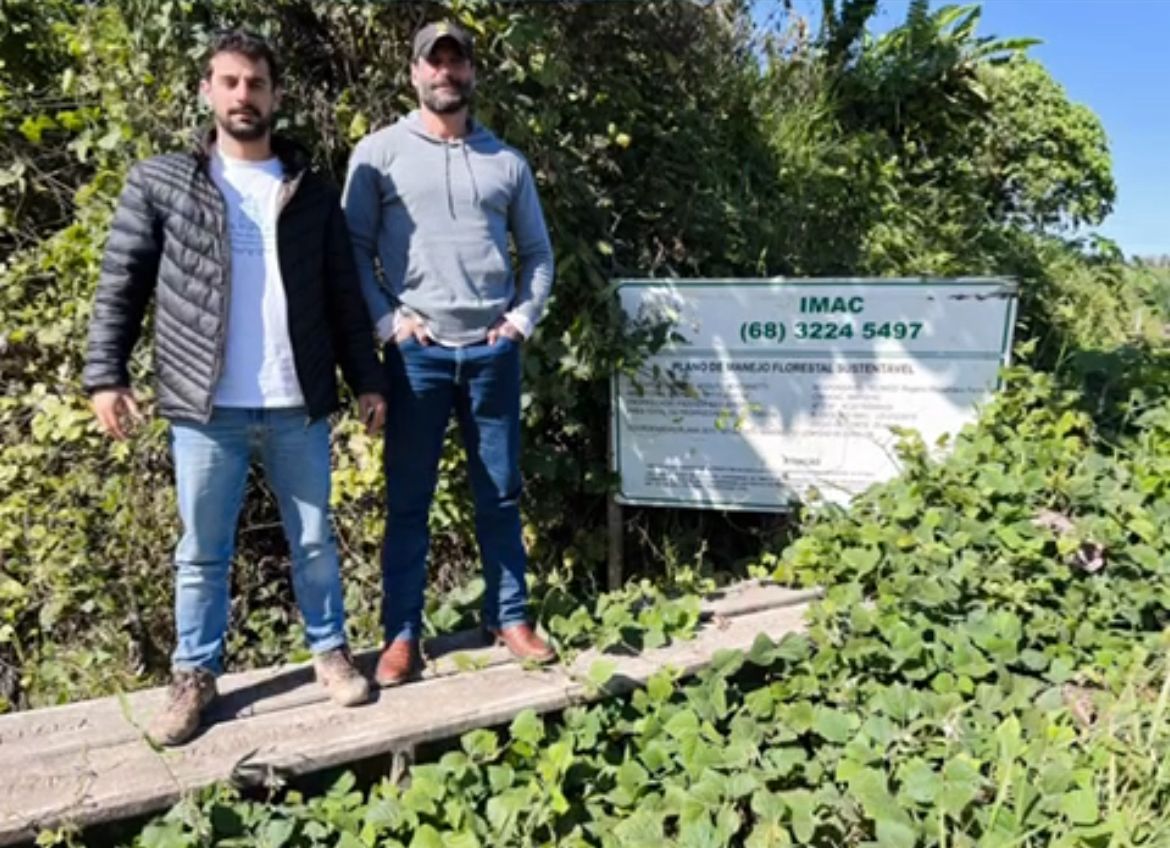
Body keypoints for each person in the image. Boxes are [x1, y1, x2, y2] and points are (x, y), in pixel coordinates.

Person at [83, 30, 386, 745]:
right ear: (207, 91)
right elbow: (121, 282)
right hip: (205, 404)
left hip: (296, 401)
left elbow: (344, 297)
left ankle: (329, 652)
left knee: (314, 541)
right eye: (230, 82)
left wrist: (367, 381)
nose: (243, 95)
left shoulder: (311, 191)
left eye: (255, 83)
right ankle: (194, 674)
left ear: (275, 95)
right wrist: (105, 374)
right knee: (202, 551)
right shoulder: (163, 182)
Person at [343, 21, 556, 686]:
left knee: (500, 493)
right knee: (409, 500)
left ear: (471, 73)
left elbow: (538, 254)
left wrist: (519, 321)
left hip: (493, 354)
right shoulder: (378, 154)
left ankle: (509, 617)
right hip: (418, 357)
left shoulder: (506, 162)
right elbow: (352, 250)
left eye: (456, 61)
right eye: (433, 62)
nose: (446, 72)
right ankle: (402, 635)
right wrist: (389, 323)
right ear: (414, 73)